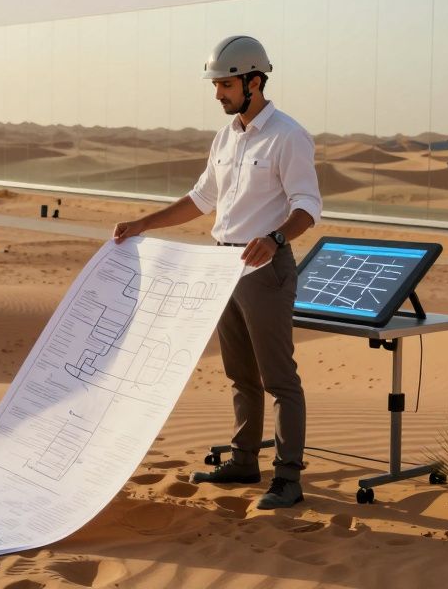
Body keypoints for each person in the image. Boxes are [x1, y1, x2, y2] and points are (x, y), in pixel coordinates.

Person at [113, 35, 321, 509]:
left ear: (254, 80)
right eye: (216, 85)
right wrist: (143, 223)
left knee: (279, 378)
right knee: (240, 375)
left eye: (225, 85)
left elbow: (308, 207)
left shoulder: (288, 135)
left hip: (265, 268)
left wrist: (275, 240)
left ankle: (288, 478)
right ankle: (244, 461)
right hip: (220, 267)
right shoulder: (226, 137)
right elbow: (201, 200)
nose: (218, 95)